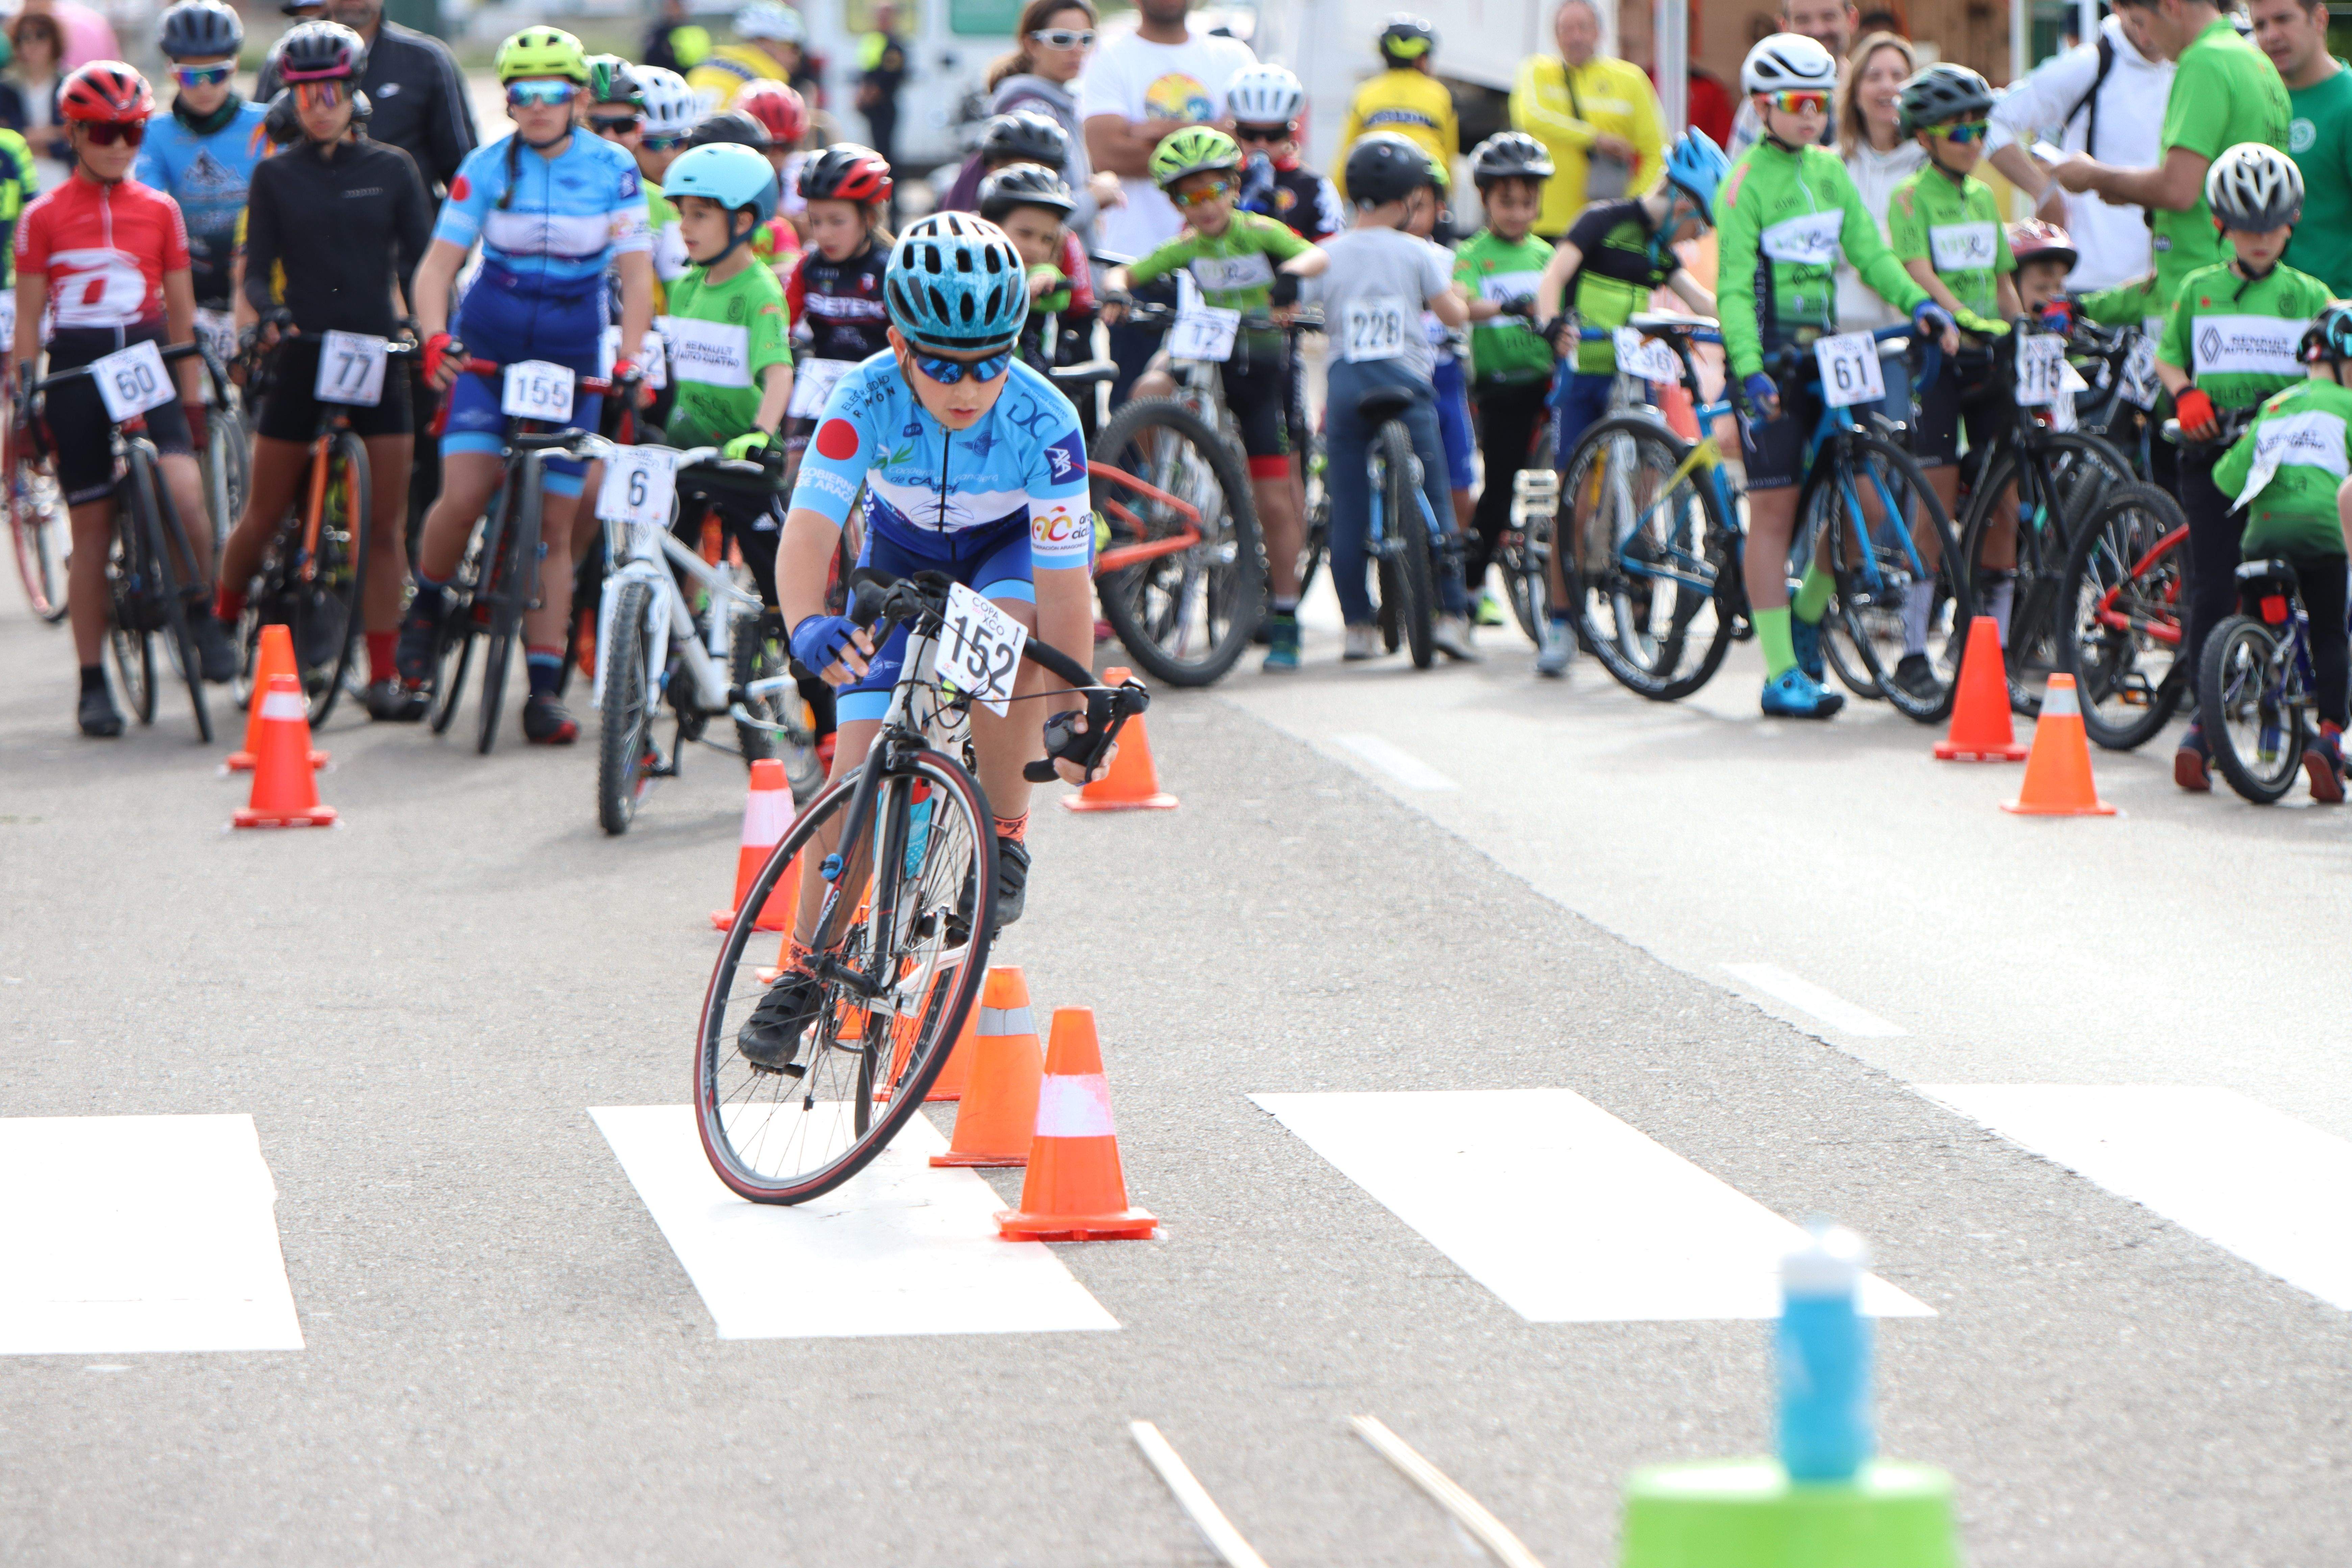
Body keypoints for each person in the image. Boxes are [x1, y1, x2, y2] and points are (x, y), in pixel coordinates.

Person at [732, 210, 1109, 1066]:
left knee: (1003, 637)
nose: (966, 387)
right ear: (900, 343)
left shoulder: (1046, 423)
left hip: (1006, 551)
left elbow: (1063, 591)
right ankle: (806, 966)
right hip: (898, 551)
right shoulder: (862, 395)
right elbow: (807, 532)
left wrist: (1072, 707)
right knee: (852, 772)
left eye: (989, 362)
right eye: (941, 364)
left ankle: (1004, 831)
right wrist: (809, 627)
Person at [394, 27, 654, 746]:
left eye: (551, 92)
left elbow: (636, 279)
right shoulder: (486, 164)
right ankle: (431, 601)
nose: (536, 106)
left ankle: (543, 688)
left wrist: (630, 359)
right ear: (508, 101)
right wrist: (436, 335)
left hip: (572, 359)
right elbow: (437, 268)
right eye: (521, 93)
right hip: (493, 348)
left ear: (576, 97)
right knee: (467, 489)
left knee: (554, 531)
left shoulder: (615, 169)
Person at [1717, 33, 1954, 720]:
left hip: (1828, 356)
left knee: (1868, 507)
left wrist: (1920, 303)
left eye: (1819, 103)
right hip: (1770, 366)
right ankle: (1781, 671)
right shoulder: (1744, 183)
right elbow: (1732, 288)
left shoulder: (1828, 171)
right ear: (1763, 107)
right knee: (1776, 513)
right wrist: (1748, 369)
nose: (1810, 115)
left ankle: (1807, 613)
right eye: (1794, 103)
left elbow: (1871, 253)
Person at [215, 20, 431, 722]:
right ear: (291, 99)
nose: (321, 104)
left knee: (385, 525)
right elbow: (254, 275)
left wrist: (423, 329)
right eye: (306, 93)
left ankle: (385, 674)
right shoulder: (276, 175)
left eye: (334, 89)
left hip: (377, 355)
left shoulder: (394, 170)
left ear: (355, 90)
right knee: (266, 510)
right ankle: (220, 619)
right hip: (305, 351)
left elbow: (423, 264)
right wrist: (272, 316)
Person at [15, 61, 226, 736]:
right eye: (104, 132)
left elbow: (185, 316)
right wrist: (24, 399)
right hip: (76, 367)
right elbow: (27, 323)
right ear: (75, 134)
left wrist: (190, 402)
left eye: (132, 131)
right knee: (92, 527)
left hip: (145, 357)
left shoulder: (160, 208)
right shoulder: (42, 216)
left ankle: (200, 610)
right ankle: (92, 680)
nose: (119, 145)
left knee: (186, 492)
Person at [1103, 127, 1325, 671]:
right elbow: (1127, 271)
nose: (1201, 206)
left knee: (1273, 497)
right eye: (1185, 197)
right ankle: (1159, 489)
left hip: (1259, 368)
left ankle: (1287, 611)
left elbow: (1314, 258)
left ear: (1232, 186)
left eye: (1210, 191)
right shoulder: (1187, 247)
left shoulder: (1259, 231)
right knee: (1149, 388)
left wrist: (1291, 281)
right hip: (1205, 359)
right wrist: (1114, 291)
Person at [2154, 142, 2328, 789]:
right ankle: (2204, 716)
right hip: (2210, 457)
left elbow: (2332, 370)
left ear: (2292, 225)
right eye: (2248, 227)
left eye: (2274, 225)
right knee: (2212, 585)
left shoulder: (2310, 294)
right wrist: (2186, 392)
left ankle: (2290, 709)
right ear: (2223, 226)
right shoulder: (2200, 290)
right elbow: (2169, 358)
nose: (2261, 239)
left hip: (2285, 466)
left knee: (2287, 584)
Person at [1529, 129, 1724, 676]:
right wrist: (1551, 320)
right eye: (1700, 223)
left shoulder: (1661, 247)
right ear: (1682, 201)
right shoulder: (1600, 221)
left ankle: (1638, 607)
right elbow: (1555, 277)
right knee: (1577, 498)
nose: (1698, 235)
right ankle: (1562, 619)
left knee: (1646, 493)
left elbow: (1701, 302)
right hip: (1585, 374)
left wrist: (1742, 328)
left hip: (1634, 378)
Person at [1305, 132, 1476, 664]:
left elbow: (1295, 307)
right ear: (1408, 200)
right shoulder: (1418, 251)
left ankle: (1357, 623)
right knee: (1436, 490)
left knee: (1349, 503)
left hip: (1348, 382)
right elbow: (1452, 314)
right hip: (1407, 382)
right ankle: (1451, 615)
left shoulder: (1326, 254)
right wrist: (1461, 308)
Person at [1887, 64, 2022, 695]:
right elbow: (1918, 271)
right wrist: (1960, 317)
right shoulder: (1909, 198)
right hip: (1940, 358)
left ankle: (1989, 652)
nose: (1973, 140)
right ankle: (1914, 649)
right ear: (1926, 138)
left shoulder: (1984, 197)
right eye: (1960, 130)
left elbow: (2003, 280)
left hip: (1989, 356)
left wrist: (2024, 328)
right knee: (1935, 504)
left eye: (1980, 128)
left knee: (2005, 507)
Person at [2048, 0, 2289, 316]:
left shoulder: (2204, 61)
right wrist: (2131, 190)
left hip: (2204, 290)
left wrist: (2094, 175)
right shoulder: (2258, 63)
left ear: (2172, 6)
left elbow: (2179, 190)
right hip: (2246, 282)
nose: (2144, 38)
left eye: (2140, 21)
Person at [1077, 0, 1255, 400]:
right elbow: (1107, 153)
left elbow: (1247, 148)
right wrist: (1210, 134)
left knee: (1233, 405)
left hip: (1225, 262)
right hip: (1137, 261)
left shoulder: (1233, 56)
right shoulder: (1108, 55)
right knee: (1133, 402)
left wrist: (1148, 129)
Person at [2210, 302, 2352, 799]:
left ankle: (2213, 736)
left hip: (2262, 538)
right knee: (2332, 630)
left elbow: (2226, 478)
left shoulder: (2275, 407)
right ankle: (2331, 739)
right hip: (2321, 534)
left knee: (2269, 640)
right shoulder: (2349, 405)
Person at [657, 141, 795, 610]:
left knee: (780, 589)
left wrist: (761, 434)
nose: (685, 227)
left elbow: (779, 375)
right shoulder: (687, 285)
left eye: (700, 215)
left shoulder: (760, 290)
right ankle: (672, 664)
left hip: (744, 459)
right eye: (683, 213)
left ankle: (811, 679)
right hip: (687, 453)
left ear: (742, 221)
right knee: (662, 573)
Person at [1983, 5, 2172, 293]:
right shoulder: (2090, 64)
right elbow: (1993, 121)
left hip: (2167, 285)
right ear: (2118, 8)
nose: (2148, 36)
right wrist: (2043, 191)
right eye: (2138, 22)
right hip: (2094, 283)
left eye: (2157, 18)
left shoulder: (2191, 67)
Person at [1454, 132, 1553, 636]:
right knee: (1498, 489)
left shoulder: (1545, 255)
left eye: (1527, 202)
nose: (1518, 213)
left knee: (1551, 483)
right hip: (1500, 387)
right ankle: (1473, 585)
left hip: (1546, 381)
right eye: (1506, 202)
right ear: (1486, 200)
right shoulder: (1473, 253)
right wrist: (1508, 307)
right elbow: (1461, 303)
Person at [255, 0, 474, 205]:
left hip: (408, 232)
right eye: (309, 94)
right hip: (309, 225)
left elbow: (463, 169)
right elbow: (257, 152)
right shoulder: (288, 59)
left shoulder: (427, 59)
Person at [135, 1, 267, 333]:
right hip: (187, 278)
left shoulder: (266, 125)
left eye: (216, 73)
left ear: (235, 65)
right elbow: (148, 200)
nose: (205, 87)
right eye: (191, 76)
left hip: (256, 275)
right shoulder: (153, 132)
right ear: (171, 70)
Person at [1510, 0, 1666, 241]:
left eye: (1583, 27)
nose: (1576, 37)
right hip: (1546, 224)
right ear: (1555, 36)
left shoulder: (1631, 79)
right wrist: (1596, 140)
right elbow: (1530, 118)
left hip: (1607, 229)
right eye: (1566, 30)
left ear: (1600, 32)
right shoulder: (1535, 70)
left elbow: (1657, 152)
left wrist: (1632, 206)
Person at [781, 143, 894, 469]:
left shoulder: (893, 268)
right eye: (816, 222)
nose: (824, 234)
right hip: (824, 389)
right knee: (795, 467)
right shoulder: (808, 268)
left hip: (884, 390)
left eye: (837, 221)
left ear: (869, 217)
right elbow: (779, 329)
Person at [970, 0, 1113, 238]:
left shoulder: (1064, 101)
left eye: (1086, 39)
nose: (1077, 49)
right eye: (1061, 39)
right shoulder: (1033, 112)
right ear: (1031, 45)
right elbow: (1029, 216)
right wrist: (1095, 197)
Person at [2251, 0, 2352, 296]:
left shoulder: (2346, 103)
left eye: (2283, 19)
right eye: (2260, 25)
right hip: (2266, 319)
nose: (2271, 35)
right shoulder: (2257, 101)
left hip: (2336, 315)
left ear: (2320, 19)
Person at [979, 162, 1092, 376]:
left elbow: (1057, 293)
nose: (1036, 248)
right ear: (990, 228)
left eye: (1047, 239)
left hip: (1025, 384)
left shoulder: (1038, 276)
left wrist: (1045, 277)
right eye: (1025, 234)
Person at [1334, 16, 1458, 195]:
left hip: (1373, 185)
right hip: (1425, 189)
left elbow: (1346, 152)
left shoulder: (1365, 92)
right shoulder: (1440, 94)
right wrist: (1446, 196)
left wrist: (1339, 197)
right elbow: (1450, 151)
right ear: (1422, 59)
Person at [1227, 64, 1340, 243]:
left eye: (1274, 135)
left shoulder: (1316, 187)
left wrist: (1280, 230)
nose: (1261, 143)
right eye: (1249, 134)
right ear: (1235, 132)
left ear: (1291, 133)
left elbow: (1331, 253)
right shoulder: (1223, 181)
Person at [1728, 0, 1857, 156]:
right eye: (1802, 20)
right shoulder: (1762, 102)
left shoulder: (1870, 97)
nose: (1817, 30)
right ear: (1784, 27)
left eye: (1828, 17)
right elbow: (1739, 174)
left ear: (1852, 20)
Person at [690, 2, 823, 114]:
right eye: (792, 46)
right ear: (765, 42)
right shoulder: (769, 79)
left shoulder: (708, 64)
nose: (796, 56)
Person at [11, 12, 69, 186]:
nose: (33, 44)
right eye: (25, 37)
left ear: (55, 41)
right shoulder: (6, 89)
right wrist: (53, 133)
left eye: (41, 36)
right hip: (17, 182)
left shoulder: (70, 86)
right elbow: (8, 138)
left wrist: (27, 138)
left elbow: (75, 138)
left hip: (61, 178)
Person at [856, 2, 908, 167]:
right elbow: (868, 71)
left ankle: (891, 189)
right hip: (873, 107)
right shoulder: (873, 40)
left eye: (886, 16)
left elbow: (888, 76)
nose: (882, 19)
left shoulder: (895, 44)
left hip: (884, 106)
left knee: (885, 152)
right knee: (876, 149)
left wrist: (869, 96)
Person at [641, 0, 710, 76]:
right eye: (669, 7)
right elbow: (649, 61)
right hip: (664, 78)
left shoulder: (695, 31)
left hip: (690, 78)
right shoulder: (658, 33)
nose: (672, 10)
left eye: (675, 6)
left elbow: (702, 59)